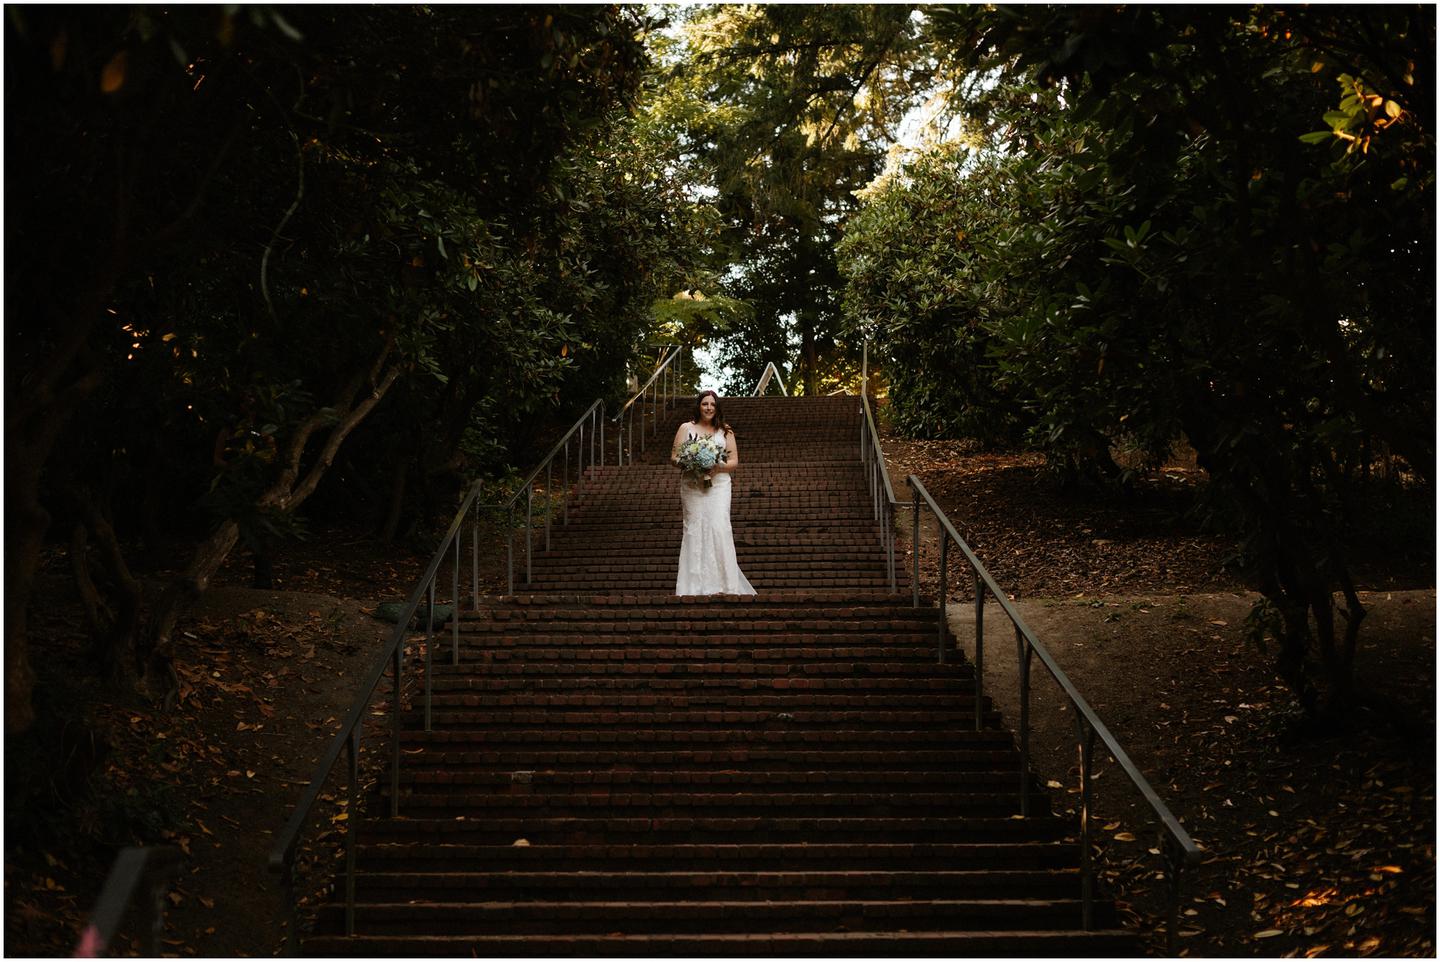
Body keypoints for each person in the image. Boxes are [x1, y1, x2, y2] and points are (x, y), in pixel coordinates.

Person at [671, 390, 756, 596]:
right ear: (698, 406)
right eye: (704, 404)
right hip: (692, 485)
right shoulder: (686, 428)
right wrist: (691, 463)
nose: (708, 408)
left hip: (718, 486)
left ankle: (726, 585)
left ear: (717, 408)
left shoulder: (725, 431)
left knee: (719, 527)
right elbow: (674, 457)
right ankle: (692, 586)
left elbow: (734, 461)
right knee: (694, 529)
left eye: (712, 404)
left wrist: (717, 467)